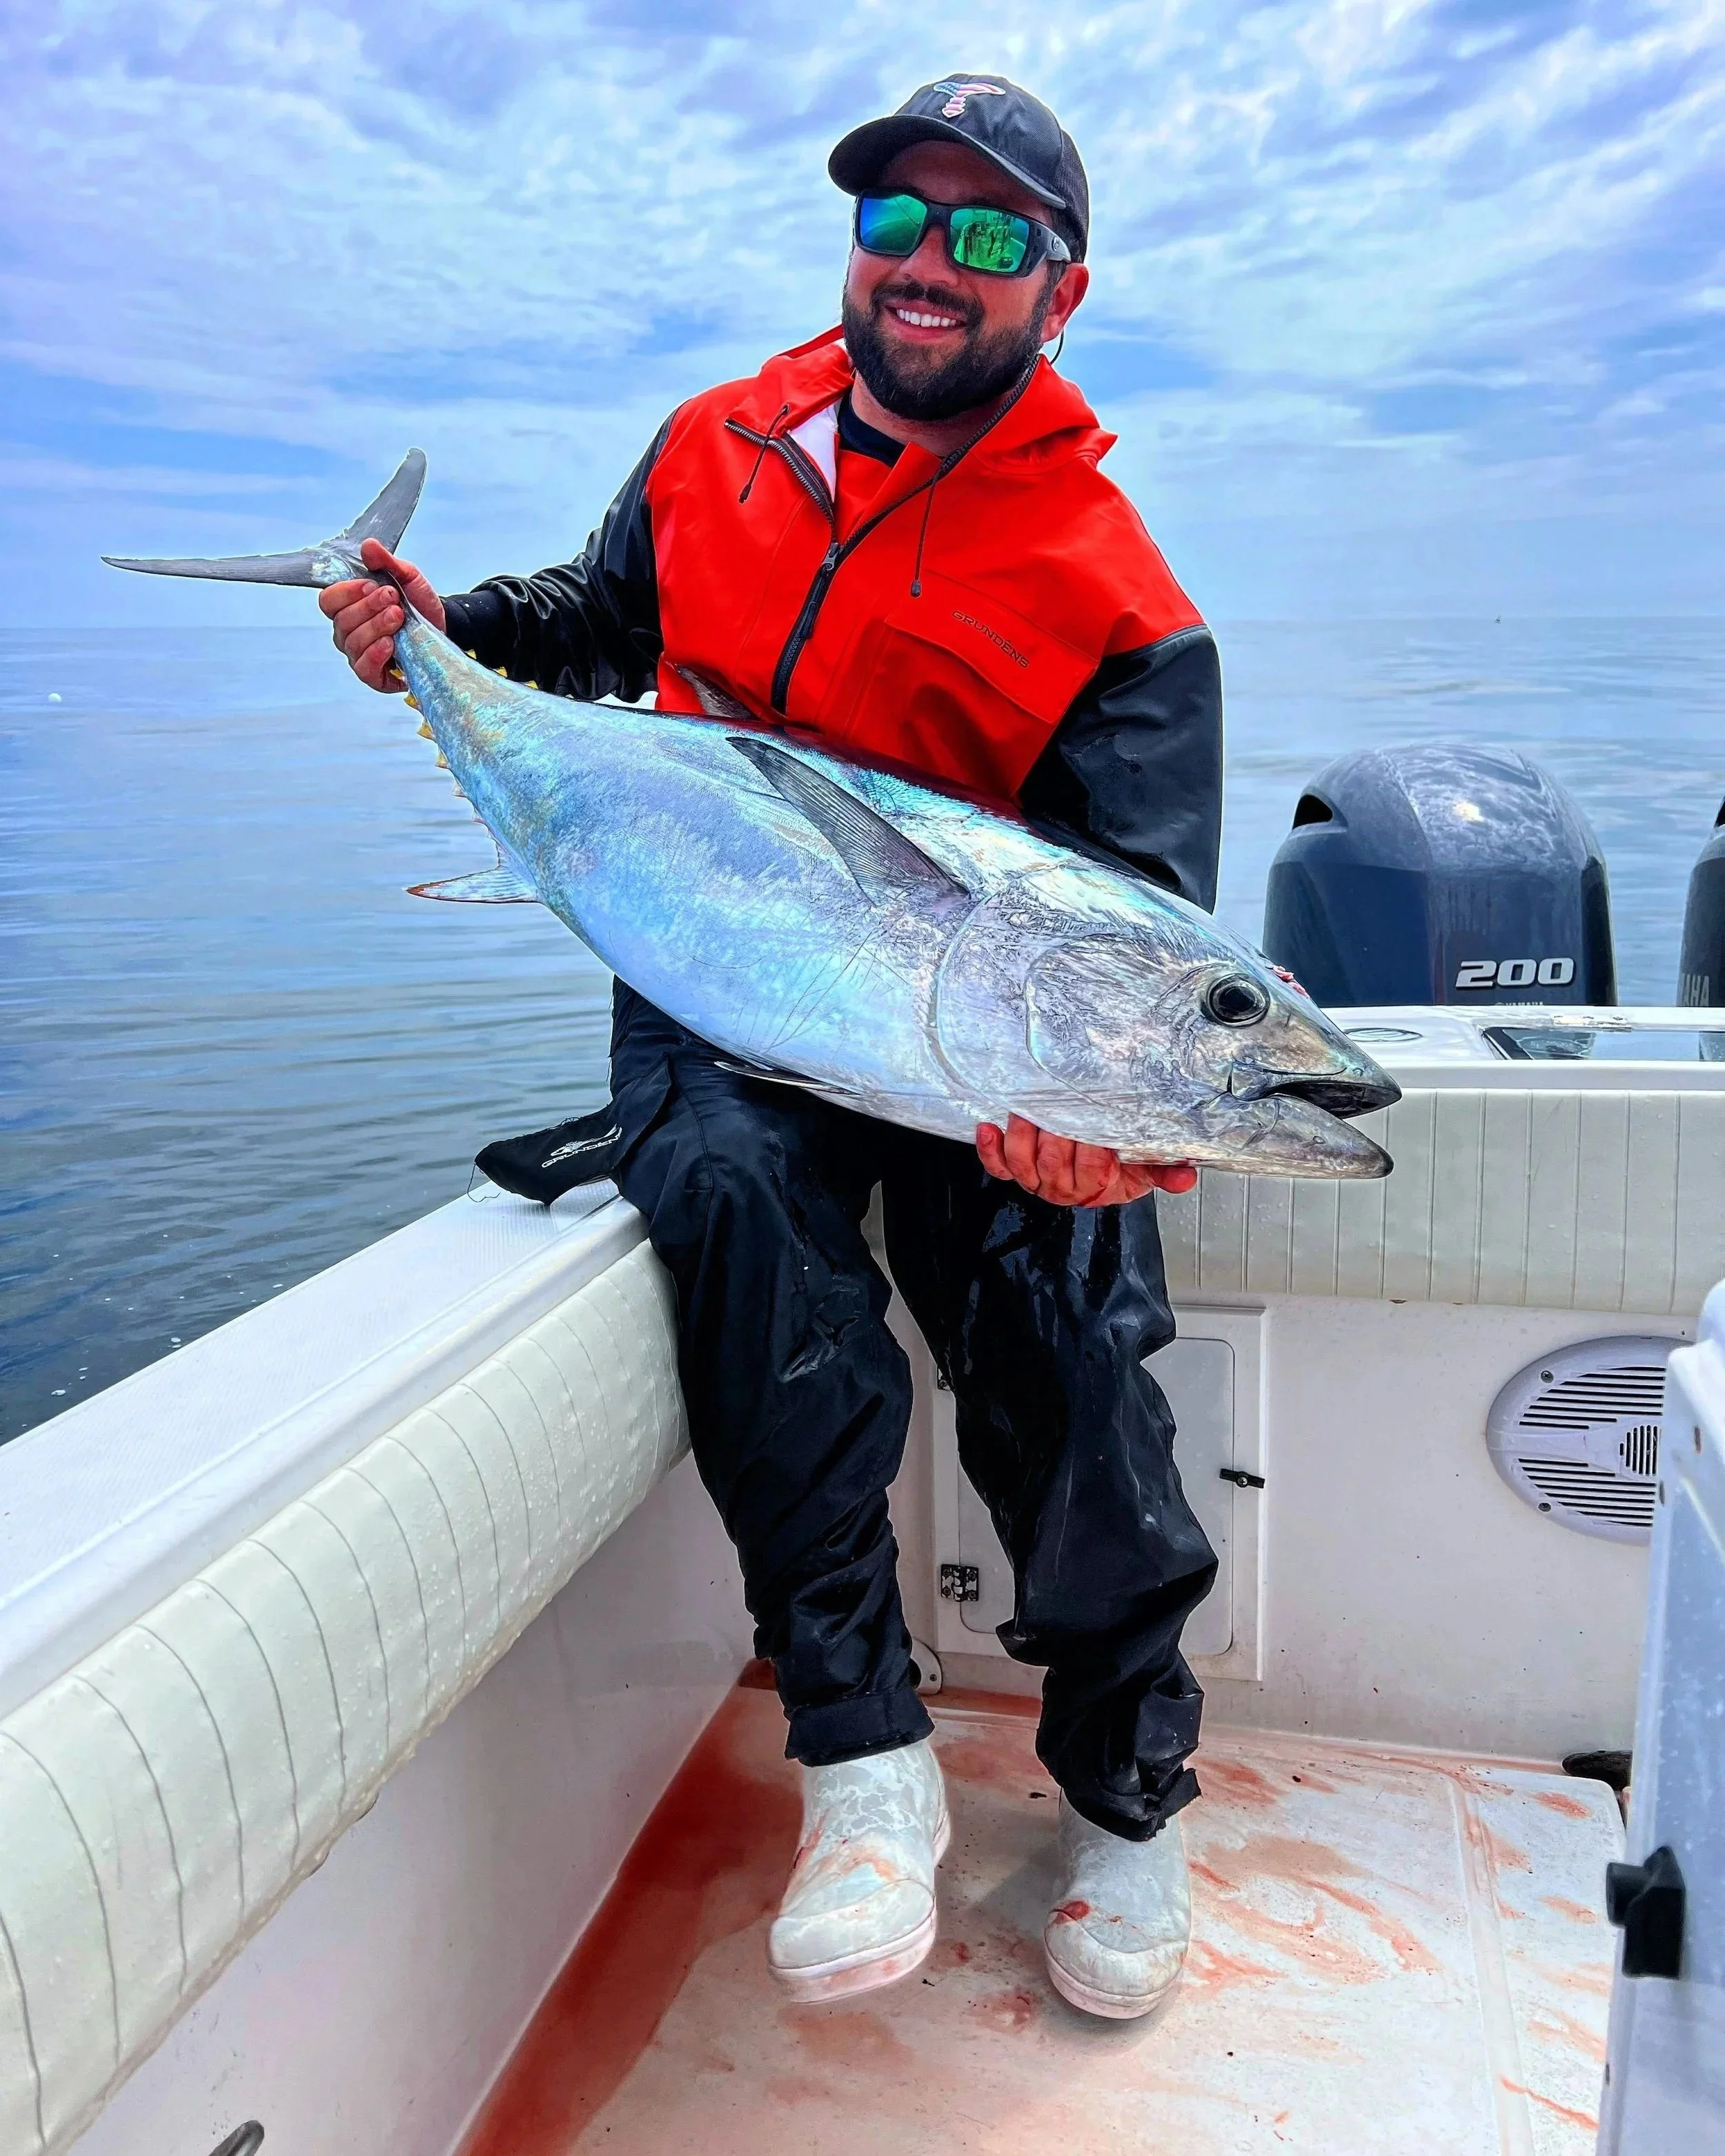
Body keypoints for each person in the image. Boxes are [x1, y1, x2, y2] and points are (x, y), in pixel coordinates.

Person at [322, 74, 1223, 2021]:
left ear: (1059, 293)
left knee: (1072, 1330)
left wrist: (1108, 1133)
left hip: (977, 1040)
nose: (926, 262)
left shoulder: (1120, 597)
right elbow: (585, 619)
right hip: (726, 977)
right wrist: (436, 626)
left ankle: (1129, 1802)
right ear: (853, 246)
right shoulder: (712, 440)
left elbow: (1134, 920)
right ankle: (864, 1761)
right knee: (733, 1211)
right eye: (897, 220)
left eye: (987, 236)